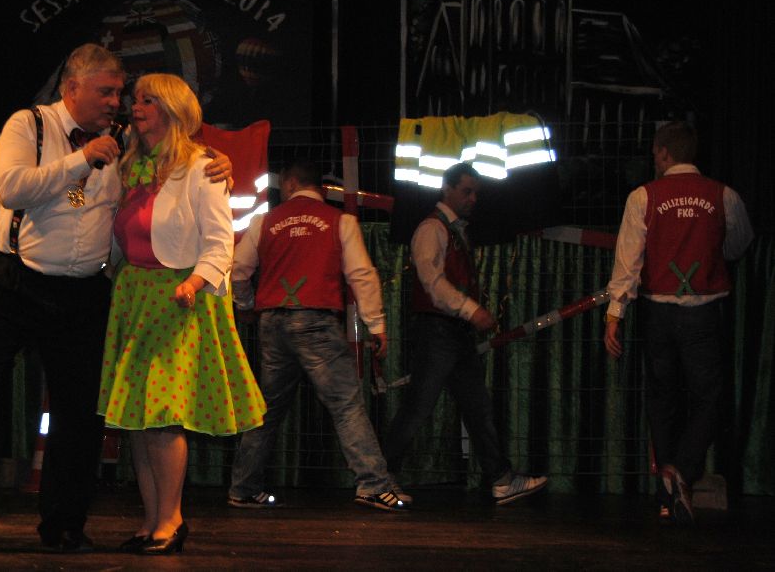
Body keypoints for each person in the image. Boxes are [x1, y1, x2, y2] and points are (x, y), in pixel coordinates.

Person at [0, 43, 232, 553]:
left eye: (121, 93)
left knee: (80, 412)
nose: (117, 102)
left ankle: (64, 523)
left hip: (83, 291)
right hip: (15, 279)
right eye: (107, 92)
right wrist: (80, 159)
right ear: (71, 87)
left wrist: (218, 160)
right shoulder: (29, 126)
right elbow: (12, 189)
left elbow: (173, 149)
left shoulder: (122, 142)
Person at [96, 73, 266, 555]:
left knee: (164, 415)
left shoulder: (202, 167)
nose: (135, 107)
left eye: (147, 100)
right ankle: (152, 520)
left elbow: (219, 243)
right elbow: (101, 218)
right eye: (135, 100)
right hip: (135, 295)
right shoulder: (129, 165)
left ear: (173, 110)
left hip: (178, 297)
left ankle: (170, 520)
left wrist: (193, 282)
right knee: (138, 419)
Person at [227, 161, 408, 512]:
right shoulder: (340, 221)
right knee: (345, 405)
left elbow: (238, 270)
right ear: (321, 188)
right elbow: (361, 274)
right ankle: (373, 484)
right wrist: (376, 324)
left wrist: (247, 304)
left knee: (267, 408)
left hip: (272, 321)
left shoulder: (264, 221)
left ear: (290, 183)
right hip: (317, 320)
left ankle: (243, 487)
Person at [604, 121, 753, 525]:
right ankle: (682, 472)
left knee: (662, 398)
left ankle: (668, 489)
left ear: (665, 153)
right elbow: (739, 243)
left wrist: (615, 314)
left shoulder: (643, 196)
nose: (654, 158)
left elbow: (628, 261)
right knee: (710, 396)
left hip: (658, 312)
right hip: (705, 311)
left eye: (655, 152)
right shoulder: (723, 195)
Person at [382, 162, 548, 505]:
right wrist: (472, 310)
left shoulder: (453, 230)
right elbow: (433, 283)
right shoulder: (433, 228)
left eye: (475, 193)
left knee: (476, 407)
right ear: (447, 189)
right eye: (466, 191)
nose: (473, 198)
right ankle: (379, 477)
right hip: (439, 330)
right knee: (420, 407)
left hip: (453, 332)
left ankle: (500, 478)